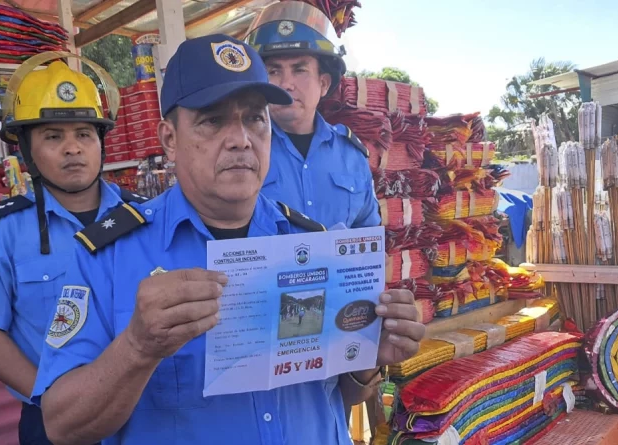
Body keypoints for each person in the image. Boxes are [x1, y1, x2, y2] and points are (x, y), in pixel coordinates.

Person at [30, 34, 425, 445]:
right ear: (169, 139)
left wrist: (367, 357)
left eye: (255, 118)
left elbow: (340, 393)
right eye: (213, 120)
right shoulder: (107, 255)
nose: (240, 139)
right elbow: (62, 427)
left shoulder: (313, 246)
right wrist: (137, 347)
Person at [0, 59, 147, 445]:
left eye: (85, 134)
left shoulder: (143, 217)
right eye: (53, 136)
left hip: (146, 411)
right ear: (27, 150)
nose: (72, 148)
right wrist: (46, 394)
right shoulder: (0, 231)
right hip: (53, 421)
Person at [245, 0, 391, 424]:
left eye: (300, 69)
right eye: (273, 70)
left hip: (336, 343)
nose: (286, 82)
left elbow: (370, 248)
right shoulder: (242, 151)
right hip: (261, 341)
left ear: (324, 81)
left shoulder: (352, 158)